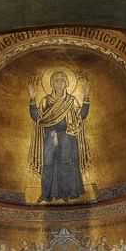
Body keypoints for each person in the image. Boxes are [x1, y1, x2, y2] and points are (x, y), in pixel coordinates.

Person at [28, 70, 91, 201]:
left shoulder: (71, 101)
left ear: (66, 84)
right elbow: (37, 117)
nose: (59, 83)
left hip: (68, 136)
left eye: (62, 80)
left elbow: (81, 116)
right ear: (52, 84)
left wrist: (86, 96)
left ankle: (66, 193)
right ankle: (46, 194)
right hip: (50, 136)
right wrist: (33, 98)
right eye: (56, 80)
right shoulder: (46, 101)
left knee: (66, 163)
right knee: (48, 164)